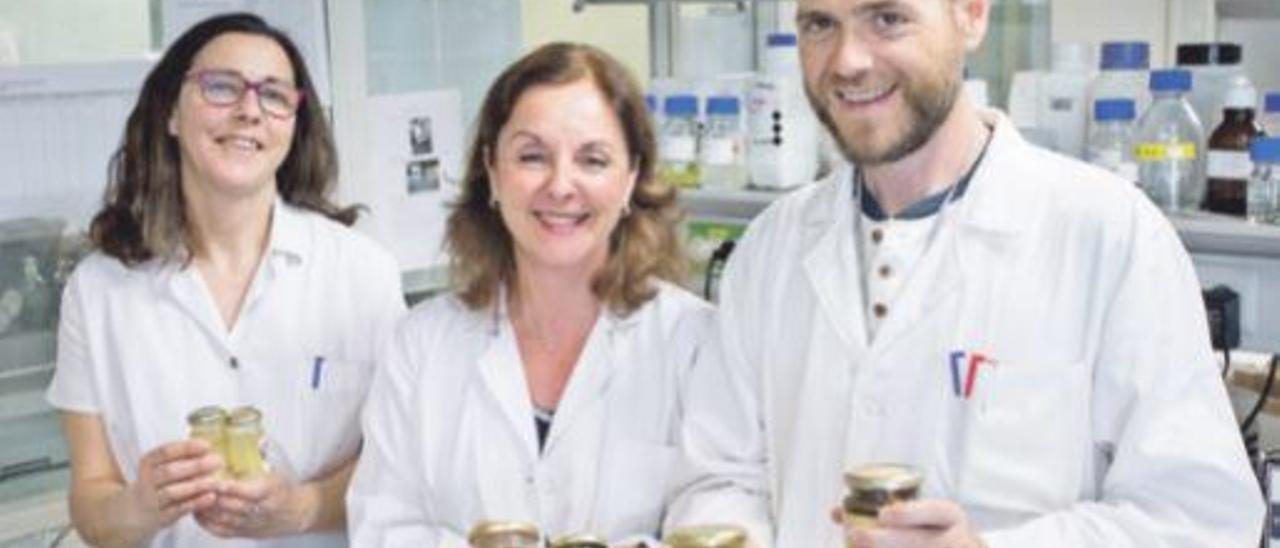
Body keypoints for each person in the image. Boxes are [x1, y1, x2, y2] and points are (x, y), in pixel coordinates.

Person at [667, 0, 1265, 546]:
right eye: (820, 24)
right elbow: (717, 479)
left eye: (887, 18)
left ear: (971, 15)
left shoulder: (1109, 236)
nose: (847, 61)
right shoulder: (772, 247)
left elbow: (1199, 519)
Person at [45, 13, 405, 547]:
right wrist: (141, 506)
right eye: (221, 87)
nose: (249, 111)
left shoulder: (363, 274)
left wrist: (302, 508)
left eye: (275, 96)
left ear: (293, 124)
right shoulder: (98, 292)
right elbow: (93, 506)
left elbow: (404, 469)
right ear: (170, 111)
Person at [347, 42, 710, 546]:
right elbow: (383, 527)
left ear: (630, 179)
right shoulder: (420, 346)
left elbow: (715, 513)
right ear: (493, 172)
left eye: (593, 159)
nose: (561, 186)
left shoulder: (696, 342)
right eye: (533, 156)